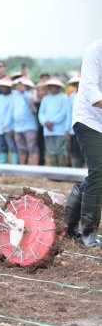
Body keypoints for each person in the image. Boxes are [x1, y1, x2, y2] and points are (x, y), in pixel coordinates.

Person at [65, 39, 102, 248]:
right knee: (98, 172)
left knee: (97, 174)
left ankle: (69, 225)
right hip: (88, 118)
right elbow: (91, 93)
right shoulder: (95, 51)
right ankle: (89, 232)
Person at [38, 77, 70, 167]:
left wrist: (51, 122)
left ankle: (62, 170)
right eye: (50, 86)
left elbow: (63, 113)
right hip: (47, 130)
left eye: (54, 86)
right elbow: (41, 113)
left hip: (59, 129)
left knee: (60, 149)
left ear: (59, 88)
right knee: (50, 150)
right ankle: (53, 172)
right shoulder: (45, 98)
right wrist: (45, 122)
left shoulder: (64, 97)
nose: (52, 88)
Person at [12, 77, 39, 165]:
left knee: (32, 148)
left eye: (21, 85)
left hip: (29, 126)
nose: (19, 87)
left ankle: (35, 169)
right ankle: (22, 168)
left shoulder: (30, 95)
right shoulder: (15, 96)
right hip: (18, 126)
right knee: (21, 148)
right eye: (18, 85)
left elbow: (33, 108)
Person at [0, 77, 19, 164]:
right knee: (1, 146)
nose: (3, 88)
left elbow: (14, 114)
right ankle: (2, 165)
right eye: (1, 87)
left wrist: (13, 128)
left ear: (9, 87)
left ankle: (15, 165)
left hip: (10, 128)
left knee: (12, 146)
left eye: (4, 87)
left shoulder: (14, 97)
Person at [67, 75, 85, 168]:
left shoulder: (89, 96)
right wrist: (67, 129)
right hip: (73, 129)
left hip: (86, 129)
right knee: (75, 151)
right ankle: (75, 171)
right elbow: (68, 113)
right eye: (77, 84)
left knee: (86, 151)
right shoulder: (71, 97)